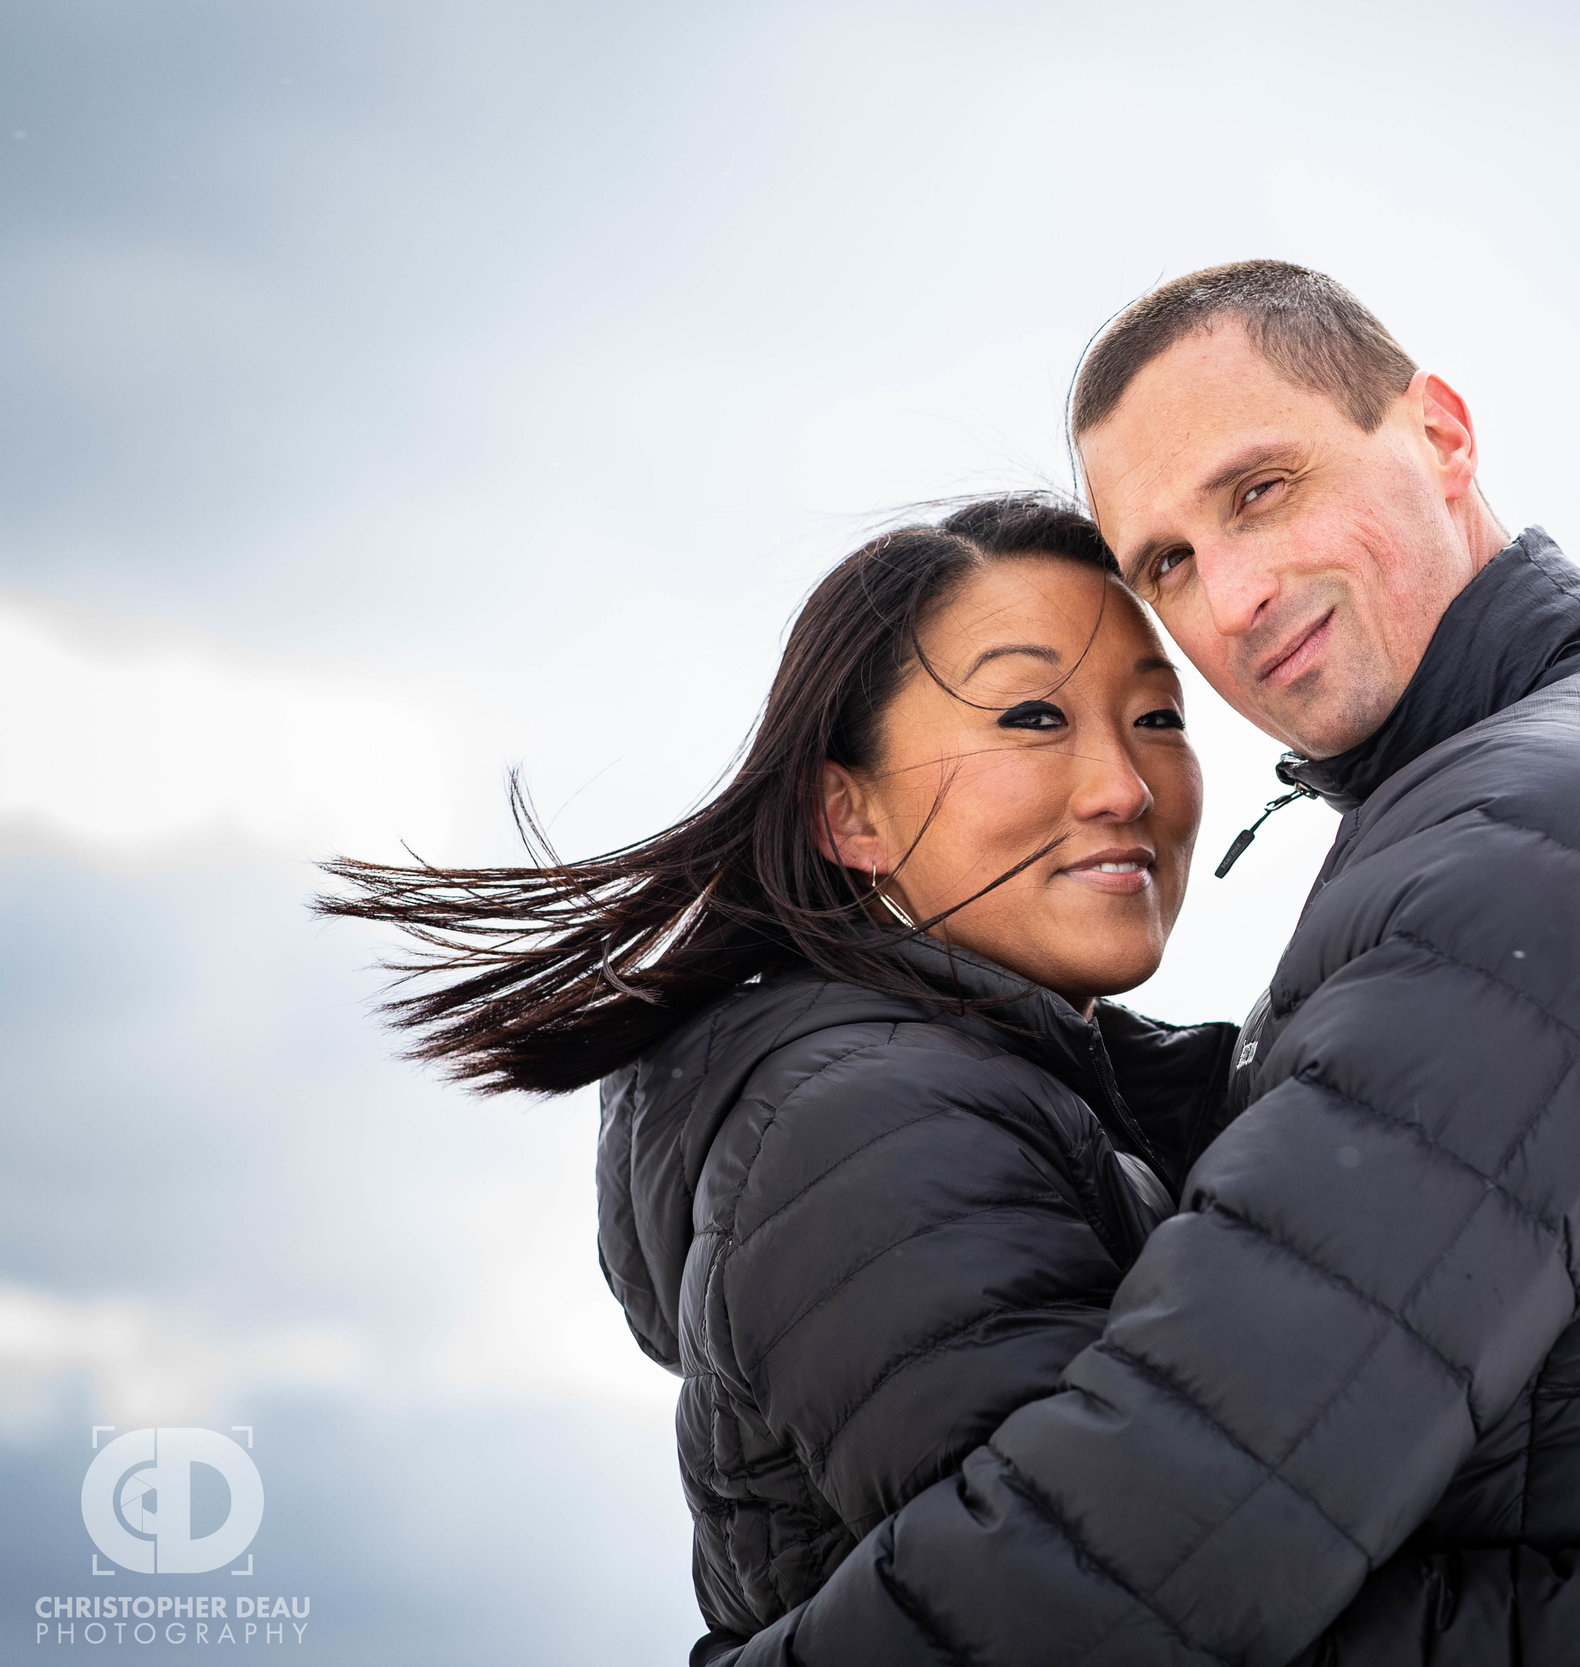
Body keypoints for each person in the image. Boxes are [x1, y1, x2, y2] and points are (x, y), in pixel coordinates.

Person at [717, 264, 1580, 1667]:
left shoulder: (1543, 834)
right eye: (1170, 561)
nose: (1232, 597)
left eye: (1261, 488)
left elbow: (1161, 1539)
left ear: (1440, 434)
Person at [317, 497, 1241, 1650]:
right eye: (1034, 713)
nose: (1125, 784)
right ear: (847, 812)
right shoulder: (872, 1122)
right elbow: (1087, 1602)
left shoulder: (1033, 1089)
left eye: (1157, 713)